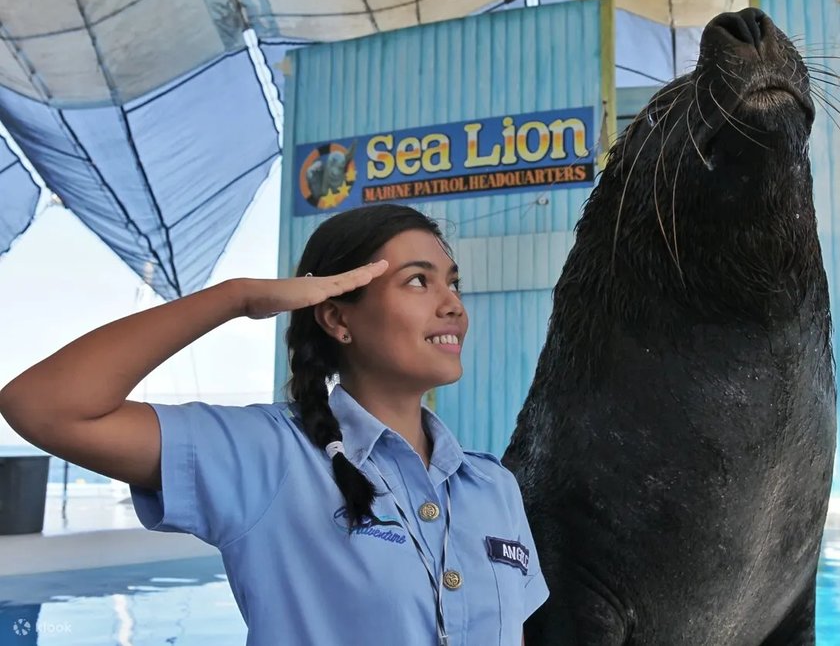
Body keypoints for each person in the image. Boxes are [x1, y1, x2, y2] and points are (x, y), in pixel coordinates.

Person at [0, 203, 548, 645]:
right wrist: (238, 298)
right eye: (416, 282)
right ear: (337, 317)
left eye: (452, 283)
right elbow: (43, 406)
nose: (452, 303)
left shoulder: (492, 486)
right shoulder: (269, 455)